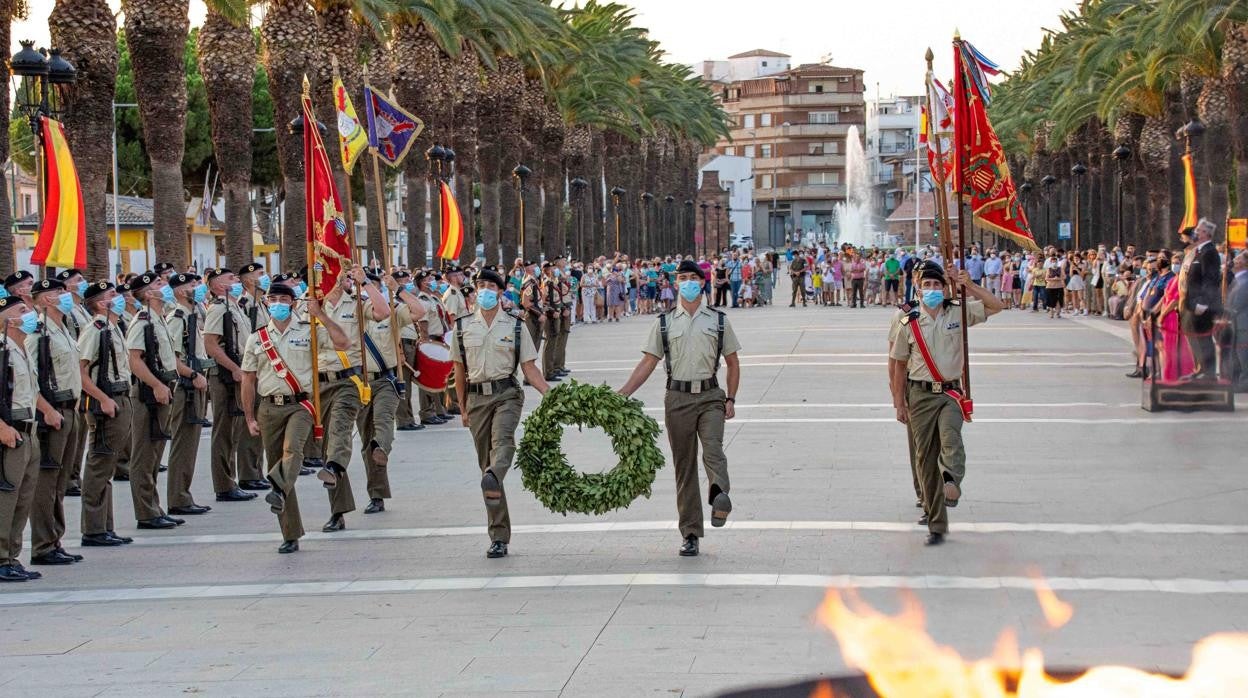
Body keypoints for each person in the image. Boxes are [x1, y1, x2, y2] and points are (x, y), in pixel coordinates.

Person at [619, 259, 741, 557]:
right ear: (676, 284)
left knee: (713, 448)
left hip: (711, 395)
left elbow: (733, 362)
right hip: (677, 399)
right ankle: (690, 533)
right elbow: (649, 362)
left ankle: (719, 493)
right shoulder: (664, 322)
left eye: (692, 277)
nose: (686, 282)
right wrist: (622, 394)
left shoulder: (718, 320)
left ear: (702, 282)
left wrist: (731, 399)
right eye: (682, 277)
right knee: (684, 467)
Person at [889, 261, 1003, 546]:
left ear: (944, 287)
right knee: (925, 459)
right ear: (917, 288)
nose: (932, 289)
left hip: (950, 393)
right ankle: (936, 521)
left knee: (951, 437)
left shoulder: (957, 310)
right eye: (927, 285)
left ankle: (951, 481)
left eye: (937, 284)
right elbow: (898, 364)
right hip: (920, 394)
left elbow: (996, 305)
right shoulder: (907, 320)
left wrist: (968, 285)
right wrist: (898, 402)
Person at [241, 284, 350, 554]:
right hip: (268, 407)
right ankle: (290, 533)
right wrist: (249, 416)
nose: (278, 303)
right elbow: (248, 379)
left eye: (283, 299)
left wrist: (321, 315)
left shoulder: (308, 330)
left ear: (292, 302)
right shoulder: (257, 338)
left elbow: (343, 342)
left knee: (293, 451)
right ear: (266, 302)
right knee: (278, 462)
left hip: (300, 405)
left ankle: (276, 485)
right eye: (273, 298)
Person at [450, 269, 548, 559]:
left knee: (502, 442)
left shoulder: (516, 326)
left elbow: (529, 368)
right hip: (477, 398)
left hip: (507, 393)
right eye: (480, 285)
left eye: (490, 285)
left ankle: (497, 471)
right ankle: (499, 536)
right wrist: (462, 406)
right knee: (486, 470)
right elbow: (458, 369)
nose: (485, 290)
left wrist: (551, 394)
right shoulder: (462, 327)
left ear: (501, 291)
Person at [317, 264, 391, 533]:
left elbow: (383, 312)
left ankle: (343, 470)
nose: (338, 277)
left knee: (341, 432)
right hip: (319, 382)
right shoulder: (311, 306)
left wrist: (366, 283)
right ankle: (337, 511)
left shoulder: (356, 303)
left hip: (351, 380)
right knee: (329, 445)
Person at [24, 280, 82, 567]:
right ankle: (43, 545)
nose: (65, 296)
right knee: (46, 482)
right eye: (57, 293)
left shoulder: (63, 330)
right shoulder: (37, 333)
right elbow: (30, 379)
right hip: (53, 413)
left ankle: (55, 540)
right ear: (44, 300)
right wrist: (46, 410)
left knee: (60, 481)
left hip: (70, 410)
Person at [125, 272, 185, 530]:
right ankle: (146, 512)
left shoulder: (159, 319)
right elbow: (135, 360)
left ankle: (154, 507)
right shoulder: (143, 321)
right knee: (144, 455)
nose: (166, 287)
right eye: (159, 284)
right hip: (148, 395)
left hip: (163, 390)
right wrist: (156, 384)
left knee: (155, 452)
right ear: (148, 294)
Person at [76, 283, 134, 548]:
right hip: (104, 403)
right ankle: (93, 529)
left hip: (119, 397)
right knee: (99, 464)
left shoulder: (112, 328)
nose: (118, 298)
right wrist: (103, 399)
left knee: (107, 464)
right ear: (100, 304)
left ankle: (104, 526)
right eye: (112, 296)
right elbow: (81, 371)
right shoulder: (95, 330)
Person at [203, 268, 263, 500]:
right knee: (224, 432)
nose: (236, 281)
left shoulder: (234, 306)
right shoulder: (219, 308)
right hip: (226, 377)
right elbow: (211, 344)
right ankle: (224, 485)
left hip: (238, 374)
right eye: (230, 279)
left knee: (235, 431)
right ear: (217, 286)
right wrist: (234, 368)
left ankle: (231, 481)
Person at [0, 295, 47, 581]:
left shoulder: (21, 348)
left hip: (28, 431)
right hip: (11, 431)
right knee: (6, 500)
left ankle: (11, 555)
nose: (29, 314)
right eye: (21, 310)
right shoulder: (2, 349)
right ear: (7, 319)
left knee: (22, 498)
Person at [163, 273, 211, 516]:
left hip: (196, 382)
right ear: (180, 292)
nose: (198, 288)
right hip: (185, 386)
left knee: (191, 443)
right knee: (183, 443)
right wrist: (192, 375)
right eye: (192, 285)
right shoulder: (177, 318)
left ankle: (184, 494)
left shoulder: (194, 314)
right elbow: (172, 358)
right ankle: (178, 498)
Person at [1179, 219, 1224, 380]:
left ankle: (1208, 374)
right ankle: (1200, 368)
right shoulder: (1198, 251)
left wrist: (1203, 302)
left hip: (1202, 306)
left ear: (1206, 234)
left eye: (1199, 230)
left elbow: (1210, 279)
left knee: (1203, 340)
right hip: (1192, 303)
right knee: (1194, 339)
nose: (1196, 232)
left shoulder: (1210, 252)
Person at [1228, 251, 1248, 392]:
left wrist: (1226, 314)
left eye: (1238, 258)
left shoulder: (1245, 280)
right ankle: (1239, 380)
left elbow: (1238, 303)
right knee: (1238, 354)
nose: (1235, 260)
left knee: (1244, 355)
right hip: (1236, 323)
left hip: (1243, 323)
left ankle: (1245, 382)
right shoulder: (1238, 279)